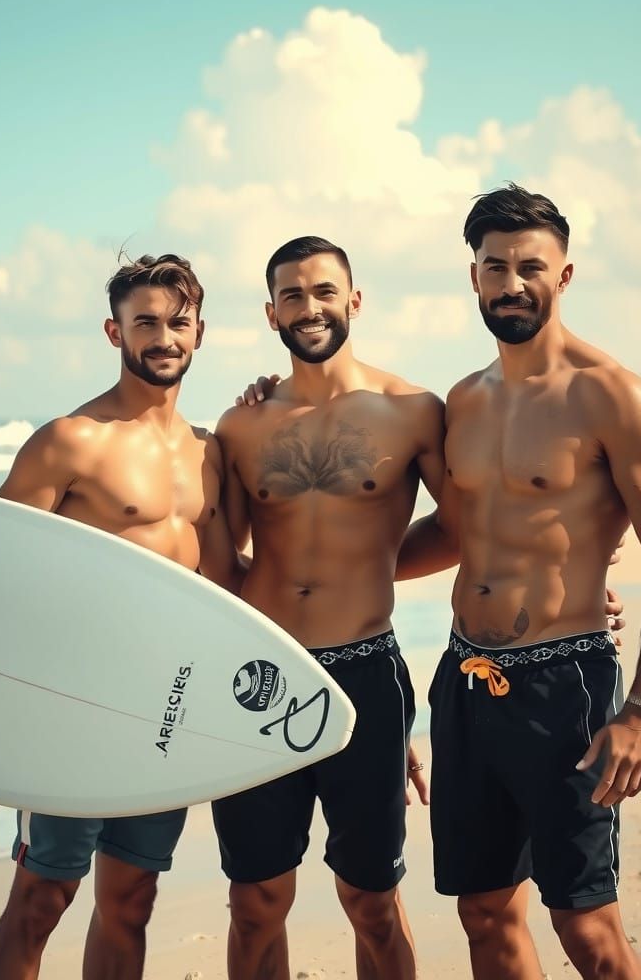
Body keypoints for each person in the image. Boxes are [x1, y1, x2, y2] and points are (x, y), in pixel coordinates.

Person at [399, 183, 641, 979]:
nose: (510, 283)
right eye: (494, 267)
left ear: (564, 277)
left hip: (564, 689)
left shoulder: (611, 396)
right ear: (473, 278)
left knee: (587, 929)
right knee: (486, 914)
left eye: (530, 267)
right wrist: (320, 574)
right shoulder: (464, 401)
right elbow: (456, 535)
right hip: (466, 681)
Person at [0, 254, 241, 980]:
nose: (163, 337)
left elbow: (226, 584)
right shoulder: (71, 440)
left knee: (131, 898)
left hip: (165, 710)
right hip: (76, 706)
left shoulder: (208, 453)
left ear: (200, 332)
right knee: (43, 894)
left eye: (177, 323)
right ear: (114, 330)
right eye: (146, 322)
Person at [212, 235, 463, 980]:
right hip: (261, 672)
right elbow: (221, 565)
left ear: (355, 301)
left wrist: (375, 569)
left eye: (324, 291)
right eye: (291, 295)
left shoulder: (414, 412)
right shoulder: (240, 427)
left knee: (371, 898)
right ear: (270, 313)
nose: (309, 307)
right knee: (256, 898)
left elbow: (470, 527)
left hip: (364, 673)